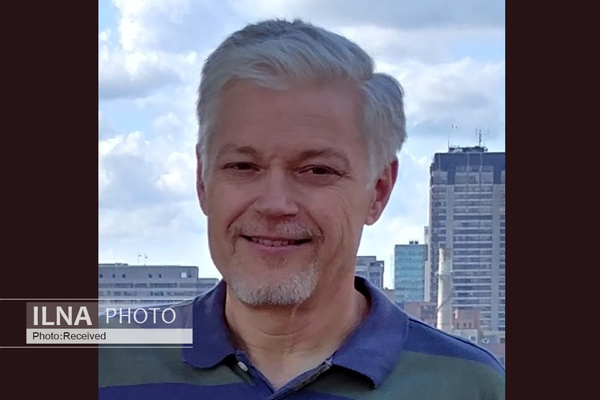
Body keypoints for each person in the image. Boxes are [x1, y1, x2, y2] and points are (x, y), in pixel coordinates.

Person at [99, 18, 505, 399]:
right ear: (202, 181)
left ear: (378, 190)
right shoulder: (105, 362)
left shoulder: (470, 387)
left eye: (317, 170)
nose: (275, 204)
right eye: (242, 166)